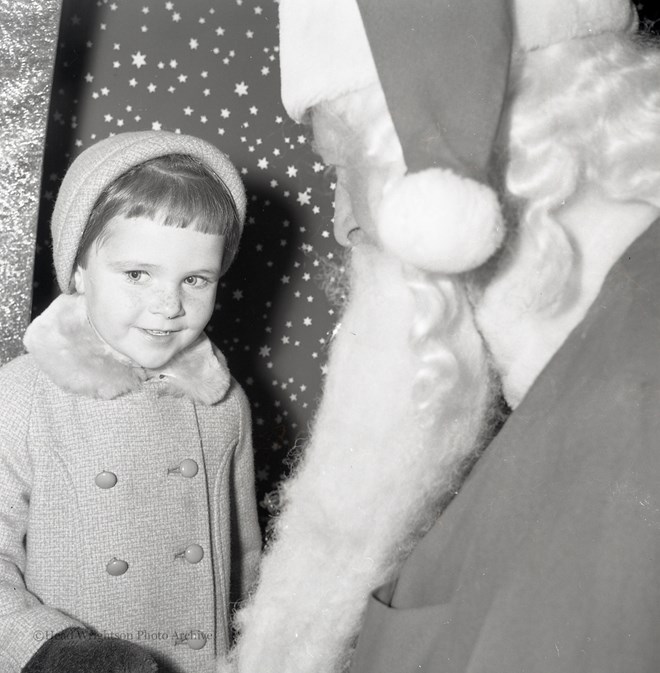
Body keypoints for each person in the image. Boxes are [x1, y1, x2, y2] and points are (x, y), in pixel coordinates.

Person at [220, 0, 660, 672]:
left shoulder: (625, 412)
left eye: (345, 170)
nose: (345, 221)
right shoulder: (572, 367)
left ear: (432, 174)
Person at [0, 131, 261, 673]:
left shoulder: (222, 403)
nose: (168, 305)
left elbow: (246, 559)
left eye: (195, 279)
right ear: (78, 271)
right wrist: (49, 649)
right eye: (137, 274)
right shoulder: (25, 394)